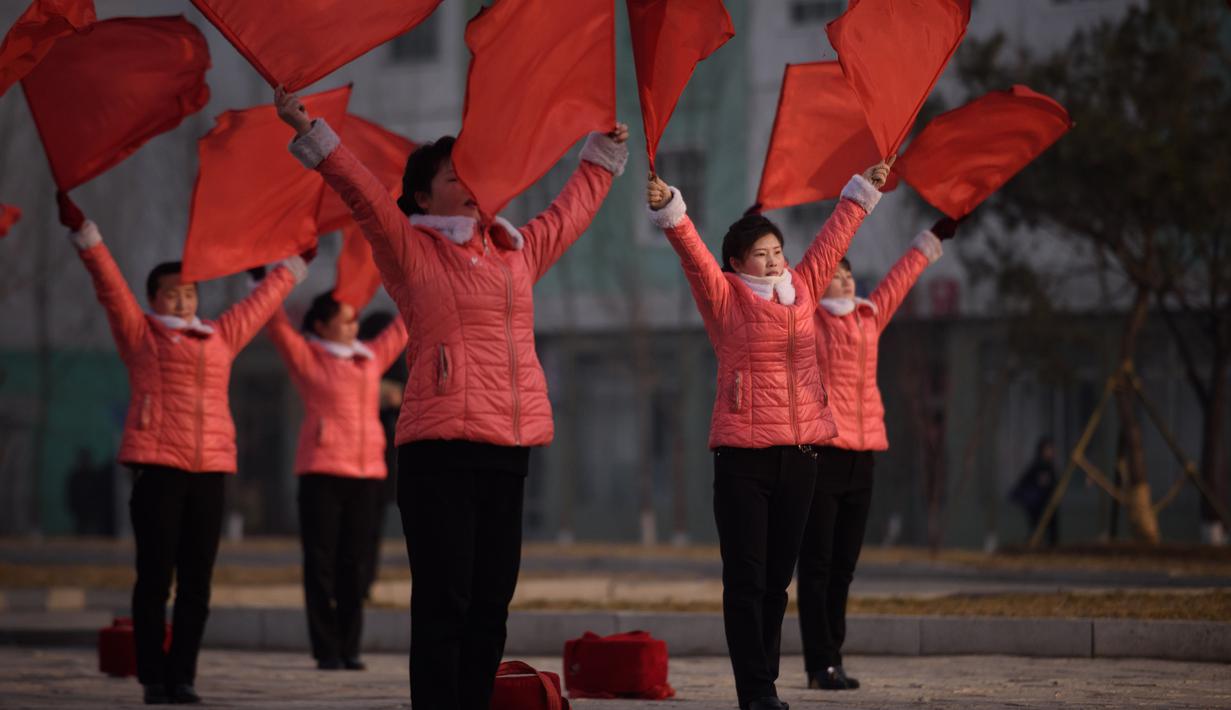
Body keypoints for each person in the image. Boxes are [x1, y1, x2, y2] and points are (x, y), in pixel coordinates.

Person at [274, 86, 629, 709]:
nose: (467, 184)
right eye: (450, 176)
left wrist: (601, 153)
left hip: (509, 448)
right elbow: (361, 193)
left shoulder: (514, 253)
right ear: (421, 196)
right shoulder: (410, 249)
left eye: (471, 174)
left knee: (492, 600)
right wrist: (315, 134)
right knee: (446, 600)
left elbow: (570, 211)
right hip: (439, 450)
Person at [646, 163, 888, 710]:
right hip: (743, 459)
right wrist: (671, 210)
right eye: (762, 254)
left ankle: (767, 684)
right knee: (748, 581)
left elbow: (835, 235)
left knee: (778, 583)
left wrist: (864, 187)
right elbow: (693, 256)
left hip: (802, 456)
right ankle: (755, 691)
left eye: (777, 251)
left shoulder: (802, 288)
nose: (774, 260)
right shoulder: (725, 297)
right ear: (737, 263)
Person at [58, 192, 308, 705]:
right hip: (157, 467)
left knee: (198, 581)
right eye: (173, 294)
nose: (183, 301)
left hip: (211, 469)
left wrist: (294, 266)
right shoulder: (140, 334)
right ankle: (154, 675)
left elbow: (259, 304)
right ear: (153, 298)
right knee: (155, 579)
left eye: (190, 293)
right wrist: (87, 235)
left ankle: (184, 676)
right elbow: (109, 286)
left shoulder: (219, 336)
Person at [796, 217, 955, 692]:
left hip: (864, 455)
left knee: (844, 565)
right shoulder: (807, 321)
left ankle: (835, 659)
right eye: (834, 273)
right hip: (822, 453)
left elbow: (899, 279)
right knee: (818, 564)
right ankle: (817, 663)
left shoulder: (869, 315)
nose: (843, 278)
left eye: (847, 273)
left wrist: (931, 239)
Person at [264, 291, 408, 671]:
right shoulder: (308, 357)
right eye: (344, 320)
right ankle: (327, 648)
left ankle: (350, 646)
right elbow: (276, 325)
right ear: (321, 326)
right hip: (322, 471)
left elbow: (404, 325)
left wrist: (417, 284)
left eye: (353, 319)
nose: (352, 326)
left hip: (367, 474)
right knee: (321, 564)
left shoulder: (370, 357)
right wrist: (267, 281)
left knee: (355, 564)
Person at [1010, 436, 1060, 547]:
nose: (1052, 452)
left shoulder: (1048, 466)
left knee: (1048, 530)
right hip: (1039, 505)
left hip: (1046, 504)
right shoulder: (1040, 466)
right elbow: (1034, 483)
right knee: (1039, 529)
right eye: (1049, 449)